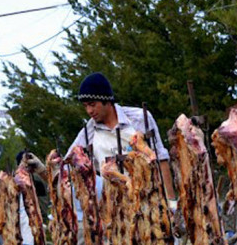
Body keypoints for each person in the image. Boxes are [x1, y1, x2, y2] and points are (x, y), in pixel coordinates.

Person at [66, 71, 176, 202]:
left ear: (106, 100)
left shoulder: (139, 118)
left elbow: (161, 158)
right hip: (115, 203)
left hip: (150, 196)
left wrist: (171, 200)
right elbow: (67, 163)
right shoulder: (88, 131)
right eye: (85, 106)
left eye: (92, 104)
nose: (89, 111)